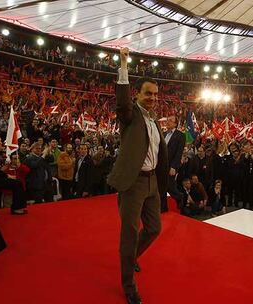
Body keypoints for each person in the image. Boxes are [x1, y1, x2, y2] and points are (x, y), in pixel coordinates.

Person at [106, 47, 168, 304]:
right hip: (133, 183)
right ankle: (129, 286)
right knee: (129, 234)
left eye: (155, 94)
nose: (152, 97)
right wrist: (123, 65)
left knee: (154, 228)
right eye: (148, 93)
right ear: (138, 94)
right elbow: (122, 101)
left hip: (153, 182)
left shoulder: (154, 121)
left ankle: (132, 259)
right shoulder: (130, 115)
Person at [160, 115, 185, 212]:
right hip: (161, 164)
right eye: (167, 120)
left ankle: (179, 197)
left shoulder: (180, 135)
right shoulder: (163, 134)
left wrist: (174, 166)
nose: (167, 122)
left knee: (169, 185)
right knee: (162, 185)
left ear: (175, 123)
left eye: (170, 120)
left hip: (171, 165)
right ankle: (163, 207)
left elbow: (179, 153)